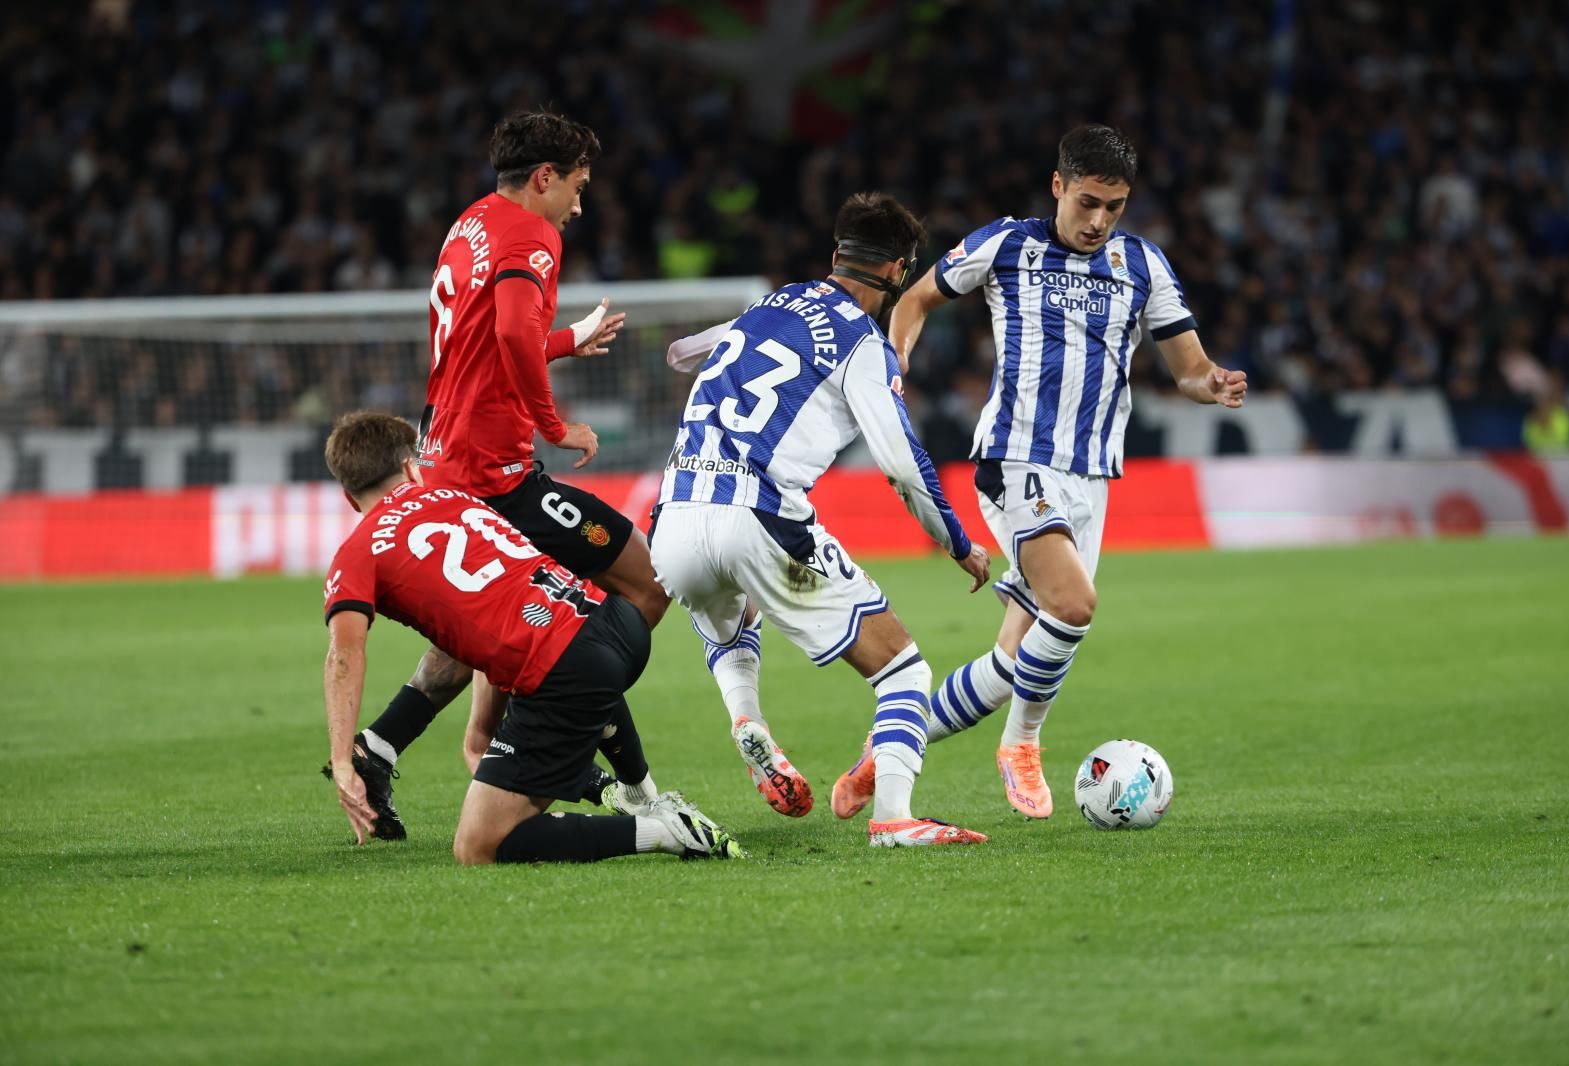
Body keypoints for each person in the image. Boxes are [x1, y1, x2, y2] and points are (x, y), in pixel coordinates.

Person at [836, 125, 1248, 820]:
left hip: (1092, 480)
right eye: (1088, 202)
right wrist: (895, 359)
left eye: (1114, 207)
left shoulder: (1143, 264)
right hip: (1016, 459)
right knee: (1075, 606)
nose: (1098, 221)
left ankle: (884, 753)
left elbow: (1188, 367)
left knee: (1009, 664)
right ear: (1058, 186)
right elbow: (914, 300)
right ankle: (1022, 745)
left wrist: (1215, 383)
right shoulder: (1008, 243)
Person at [329, 111, 670, 841]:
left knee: (483, 623)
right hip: (495, 467)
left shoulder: (471, 224)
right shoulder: (531, 235)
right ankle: (527, 742)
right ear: (543, 178)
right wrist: (555, 425)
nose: (579, 206)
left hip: (449, 452)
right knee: (642, 583)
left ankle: (382, 746)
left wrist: (569, 339)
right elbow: (513, 336)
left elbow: (488, 341)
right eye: (576, 187)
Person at [651, 192, 991, 848]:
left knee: (729, 612)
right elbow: (901, 460)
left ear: (836, 255)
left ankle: (746, 719)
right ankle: (893, 816)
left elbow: (685, 349)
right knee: (905, 671)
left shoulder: (770, 304)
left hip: (673, 518)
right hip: (758, 515)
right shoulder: (864, 343)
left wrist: (692, 352)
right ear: (898, 272)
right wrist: (956, 540)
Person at [320, 411, 744, 864]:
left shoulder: (357, 553)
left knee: (478, 845)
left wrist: (343, 761)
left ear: (348, 497)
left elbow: (344, 657)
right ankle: (642, 793)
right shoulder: (452, 498)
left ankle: (664, 831)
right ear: (409, 468)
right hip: (617, 624)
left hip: (565, 670)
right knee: (573, 681)